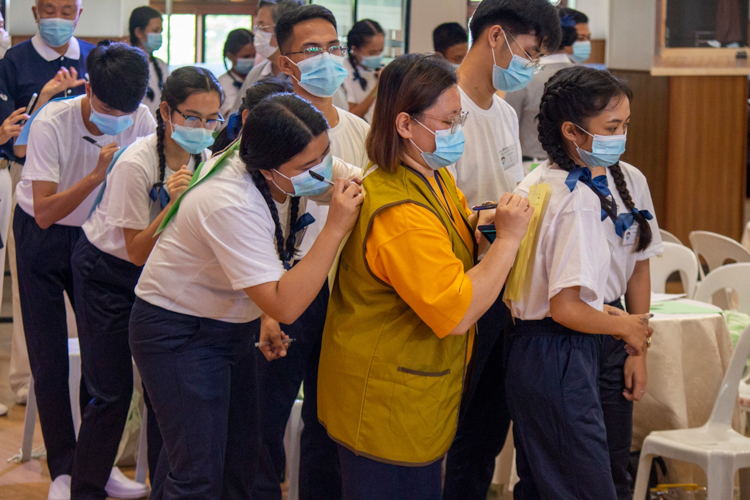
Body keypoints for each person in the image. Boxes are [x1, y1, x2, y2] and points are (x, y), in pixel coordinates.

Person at [317, 53, 532, 500]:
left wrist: (485, 224)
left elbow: (454, 230)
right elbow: (456, 311)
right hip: (388, 405)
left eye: (460, 119)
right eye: (448, 122)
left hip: (417, 391)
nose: (458, 132)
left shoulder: (430, 175)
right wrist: (508, 241)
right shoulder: (399, 211)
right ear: (404, 125)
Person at [129, 92, 363, 498]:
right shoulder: (228, 199)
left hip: (229, 324)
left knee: (240, 463)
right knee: (197, 474)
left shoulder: (267, 152)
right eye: (308, 166)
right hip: (177, 333)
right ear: (268, 167)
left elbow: (354, 179)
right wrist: (335, 228)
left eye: (325, 154)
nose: (323, 172)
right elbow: (284, 302)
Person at [69, 66, 221, 500]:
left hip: (161, 280)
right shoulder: (135, 162)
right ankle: (86, 490)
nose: (203, 129)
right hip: (108, 274)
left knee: (164, 395)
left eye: (212, 120)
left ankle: (164, 491)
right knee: (111, 394)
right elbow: (135, 250)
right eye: (192, 118)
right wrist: (173, 204)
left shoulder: (205, 158)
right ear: (166, 112)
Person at [14, 41, 154, 500]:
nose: (122, 117)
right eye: (111, 107)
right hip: (45, 235)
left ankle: (94, 463)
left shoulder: (143, 118)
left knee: (102, 358)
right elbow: (45, 213)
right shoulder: (53, 121)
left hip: (99, 240)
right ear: (88, 88)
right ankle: (61, 470)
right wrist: (97, 175)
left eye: (128, 109)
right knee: (49, 355)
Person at [505, 65, 653, 500]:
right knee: (586, 486)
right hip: (563, 343)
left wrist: (627, 333)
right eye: (611, 127)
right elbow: (566, 307)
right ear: (572, 130)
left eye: (625, 125)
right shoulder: (578, 199)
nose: (621, 136)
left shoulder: (541, 182)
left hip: (554, 343)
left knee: (548, 482)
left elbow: (637, 265)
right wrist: (629, 328)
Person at [441, 2, 561, 499]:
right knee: (448, 428)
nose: (531, 67)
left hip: (503, 288)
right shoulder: (439, 102)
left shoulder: (506, 112)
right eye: (530, 54)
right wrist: (484, 218)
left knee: (484, 433)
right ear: (496, 37)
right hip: (453, 289)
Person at [251, 5, 370, 499]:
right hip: (280, 292)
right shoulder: (267, 126)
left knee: (328, 422)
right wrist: (264, 309)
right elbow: (254, 221)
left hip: (340, 296)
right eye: (312, 49)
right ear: (284, 62)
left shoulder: (360, 134)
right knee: (264, 425)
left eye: (334, 46)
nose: (327, 58)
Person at [0, 0, 94, 407]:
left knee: (88, 287)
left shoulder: (96, 57)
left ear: (79, 13)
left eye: (66, 9)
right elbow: (12, 140)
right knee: (32, 293)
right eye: (49, 9)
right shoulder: (14, 61)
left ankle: (81, 382)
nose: (57, 18)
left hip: (92, 180)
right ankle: (28, 382)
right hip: (33, 181)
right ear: (36, 13)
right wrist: (47, 100)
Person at [504, 10, 579, 174]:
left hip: (530, 167)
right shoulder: (583, 76)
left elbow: (507, 128)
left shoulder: (524, 76)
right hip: (576, 168)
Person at [228, 0, 304, 113]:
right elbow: (234, 121)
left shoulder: (308, 74)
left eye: (262, 27)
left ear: (284, 30)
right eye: (257, 27)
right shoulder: (256, 73)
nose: (256, 34)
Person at [129, 6, 169, 118]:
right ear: (138, 32)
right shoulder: (125, 65)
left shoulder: (161, 65)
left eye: (160, 31)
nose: (159, 35)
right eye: (155, 31)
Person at [342, 19, 384, 123]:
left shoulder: (381, 69)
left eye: (381, 51)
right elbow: (351, 115)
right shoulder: (344, 72)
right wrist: (378, 87)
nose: (377, 56)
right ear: (355, 50)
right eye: (372, 52)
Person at [218, 29, 255, 118]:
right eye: (246, 56)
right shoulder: (222, 84)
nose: (251, 60)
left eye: (254, 56)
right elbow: (230, 115)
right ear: (231, 56)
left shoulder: (257, 77)